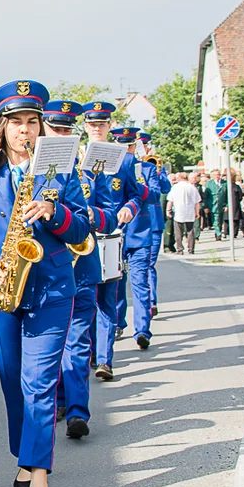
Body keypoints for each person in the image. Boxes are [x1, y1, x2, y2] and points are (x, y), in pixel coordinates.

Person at [0, 80, 90, 487]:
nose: (25, 131)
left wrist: (56, 212)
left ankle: (40, 473)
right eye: (16, 123)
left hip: (51, 287)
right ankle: (25, 456)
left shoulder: (61, 170)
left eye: (33, 122)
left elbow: (84, 228)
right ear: (3, 127)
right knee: (13, 381)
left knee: (39, 381)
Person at [46, 99, 116, 439]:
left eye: (66, 130)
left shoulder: (91, 170)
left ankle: (77, 411)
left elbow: (111, 213)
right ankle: (58, 400)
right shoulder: (30, 170)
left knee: (76, 341)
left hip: (84, 264)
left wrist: (90, 217)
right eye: (55, 128)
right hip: (47, 270)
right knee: (50, 344)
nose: (61, 135)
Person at [85, 104, 150, 381]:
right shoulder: (74, 158)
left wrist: (129, 209)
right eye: (92, 124)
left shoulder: (124, 160)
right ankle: (86, 352)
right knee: (81, 301)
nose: (97, 128)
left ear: (109, 125)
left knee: (107, 301)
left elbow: (136, 195)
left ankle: (104, 359)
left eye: (102, 124)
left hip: (111, 237)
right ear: (85, 126)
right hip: (81, 238)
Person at [116, 128, 163, 350]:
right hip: (115, 233)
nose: (125, 149)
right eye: (121, 145)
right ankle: (118, 323)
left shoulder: (147, 168)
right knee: (116, 285)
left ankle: (142, 330)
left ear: (135, 146)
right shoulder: (109, 169)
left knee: (140, 284)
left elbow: (155, 196)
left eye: (129, 145)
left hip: (139, 234)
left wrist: (137, 186)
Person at [139, 135, 171, 317]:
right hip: (134, 222)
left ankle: (152, 302)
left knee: (149, 264)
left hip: (154, 221)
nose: (142, 148)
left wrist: (158, 171)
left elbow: (166, 189)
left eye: (144, 145)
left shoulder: (155, 167)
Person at [166, 171, 201, 255]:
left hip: (179, 211)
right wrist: (197, 212)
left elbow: (170, 200)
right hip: (190, 211)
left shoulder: (175, 187)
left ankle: (180, 249)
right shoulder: (192, 187)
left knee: (178, 232)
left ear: (179, 178)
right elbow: (197, 202)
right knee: (190, 231)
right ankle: (191, 249)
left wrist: (168, 210)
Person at [162, 173, 178, 253]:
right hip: (168, 214)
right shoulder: (166, 191)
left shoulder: (176, 189)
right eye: (173, 180)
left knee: (175, 232)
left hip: (177, 213)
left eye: (176, 180)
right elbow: (163, 203)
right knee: (168, 231)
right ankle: (167, 246)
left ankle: (172, 245)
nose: (175, 182)